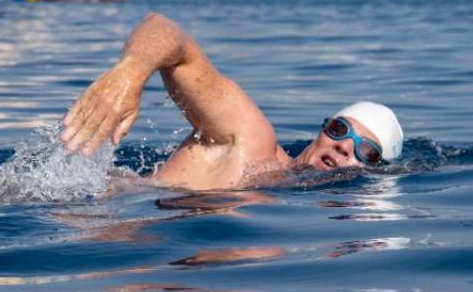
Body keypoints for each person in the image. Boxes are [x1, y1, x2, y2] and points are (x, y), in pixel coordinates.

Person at [60, 12, 403, 190]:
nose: (344, 146)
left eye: (366, 151)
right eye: (339, 128)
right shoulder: (250, 142)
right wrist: (129, 74)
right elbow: (163, 30)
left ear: (376, 172)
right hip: (61, 218)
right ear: (322, 129)